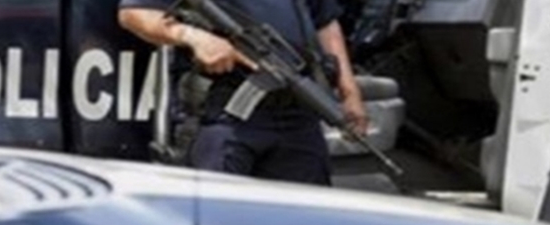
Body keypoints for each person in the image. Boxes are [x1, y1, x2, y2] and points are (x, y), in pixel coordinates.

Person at [119, 0, 369, 185]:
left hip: (299, 112)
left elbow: (325, 23)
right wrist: (194, 37)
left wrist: (349, 91)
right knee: (218, 223)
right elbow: (134, 13)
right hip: (225, 114)